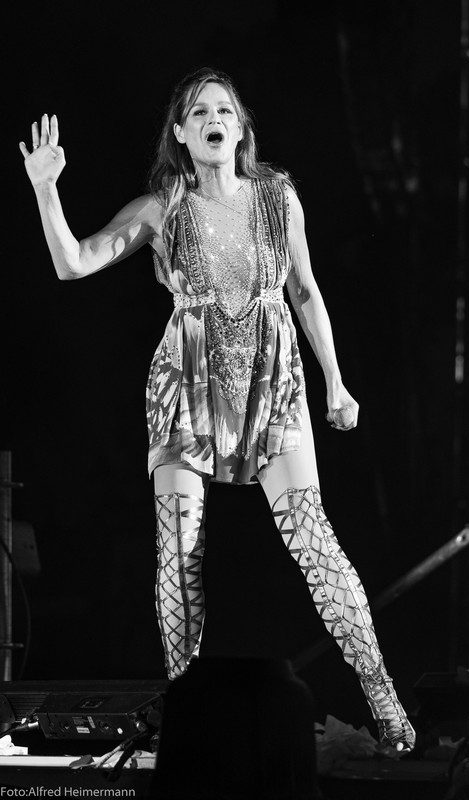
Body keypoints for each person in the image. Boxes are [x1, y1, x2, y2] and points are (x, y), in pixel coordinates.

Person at [19, 67, 415, 752]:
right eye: (199, 111)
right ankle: (187, 716)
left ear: (240, 128)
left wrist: (336, 382)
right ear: (180, 132)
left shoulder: (277, 198)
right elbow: (74, 263)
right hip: (186, 384)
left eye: (224, 110)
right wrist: (46, 189)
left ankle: (387, 705)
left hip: (273, 379)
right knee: (178, 551)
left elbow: (304, 291)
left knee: (314, 542)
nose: (213, 119)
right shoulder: (163, 208)